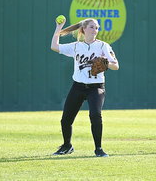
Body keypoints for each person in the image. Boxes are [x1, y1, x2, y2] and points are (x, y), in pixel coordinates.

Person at [50, 18, 119, 157]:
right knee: (66, 119)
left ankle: (98, 149)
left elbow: (116, 66)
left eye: (97, 28)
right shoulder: (76, 46)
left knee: (95, 115)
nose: (95, 30)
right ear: (84, 29)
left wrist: (105, 63)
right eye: (92, 27)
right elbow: (54, 46)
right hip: (78, 86)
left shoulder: (103, 46)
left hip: (96, 87)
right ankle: (66, 146)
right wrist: (59, 28)